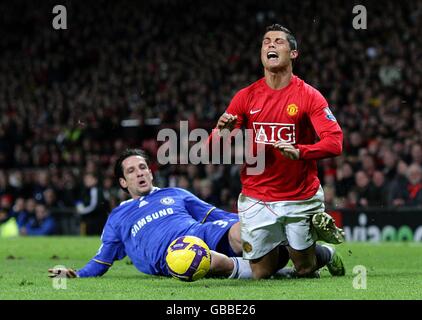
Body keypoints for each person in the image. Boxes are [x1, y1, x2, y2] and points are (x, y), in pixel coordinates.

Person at [48, 149, 343, 279]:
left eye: (143, 167)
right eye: (132, 171)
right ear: (123, 183)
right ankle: (319, 252)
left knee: (246, 235)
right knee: (218, 263)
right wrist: (74, 274)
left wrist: (248, 226)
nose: (140, 173)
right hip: (175, 255)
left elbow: (213, 214)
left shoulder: (174, 194)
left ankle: (295, 228)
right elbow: (101, 261)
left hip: (202, 233)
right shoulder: (118, 217)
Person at [210, 24, 345, 279]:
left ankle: (324, 254)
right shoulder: (246, 96)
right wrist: (222, 132)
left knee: (304, 269)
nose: (270, 45)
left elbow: (335, 142)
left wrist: (300, 151)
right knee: (261, 273)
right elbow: (210, 149)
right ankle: (294, 248)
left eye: (278, 41)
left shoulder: (309, 96)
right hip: (257, 195)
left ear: (294, 53)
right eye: (266, 42)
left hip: (299, 195)